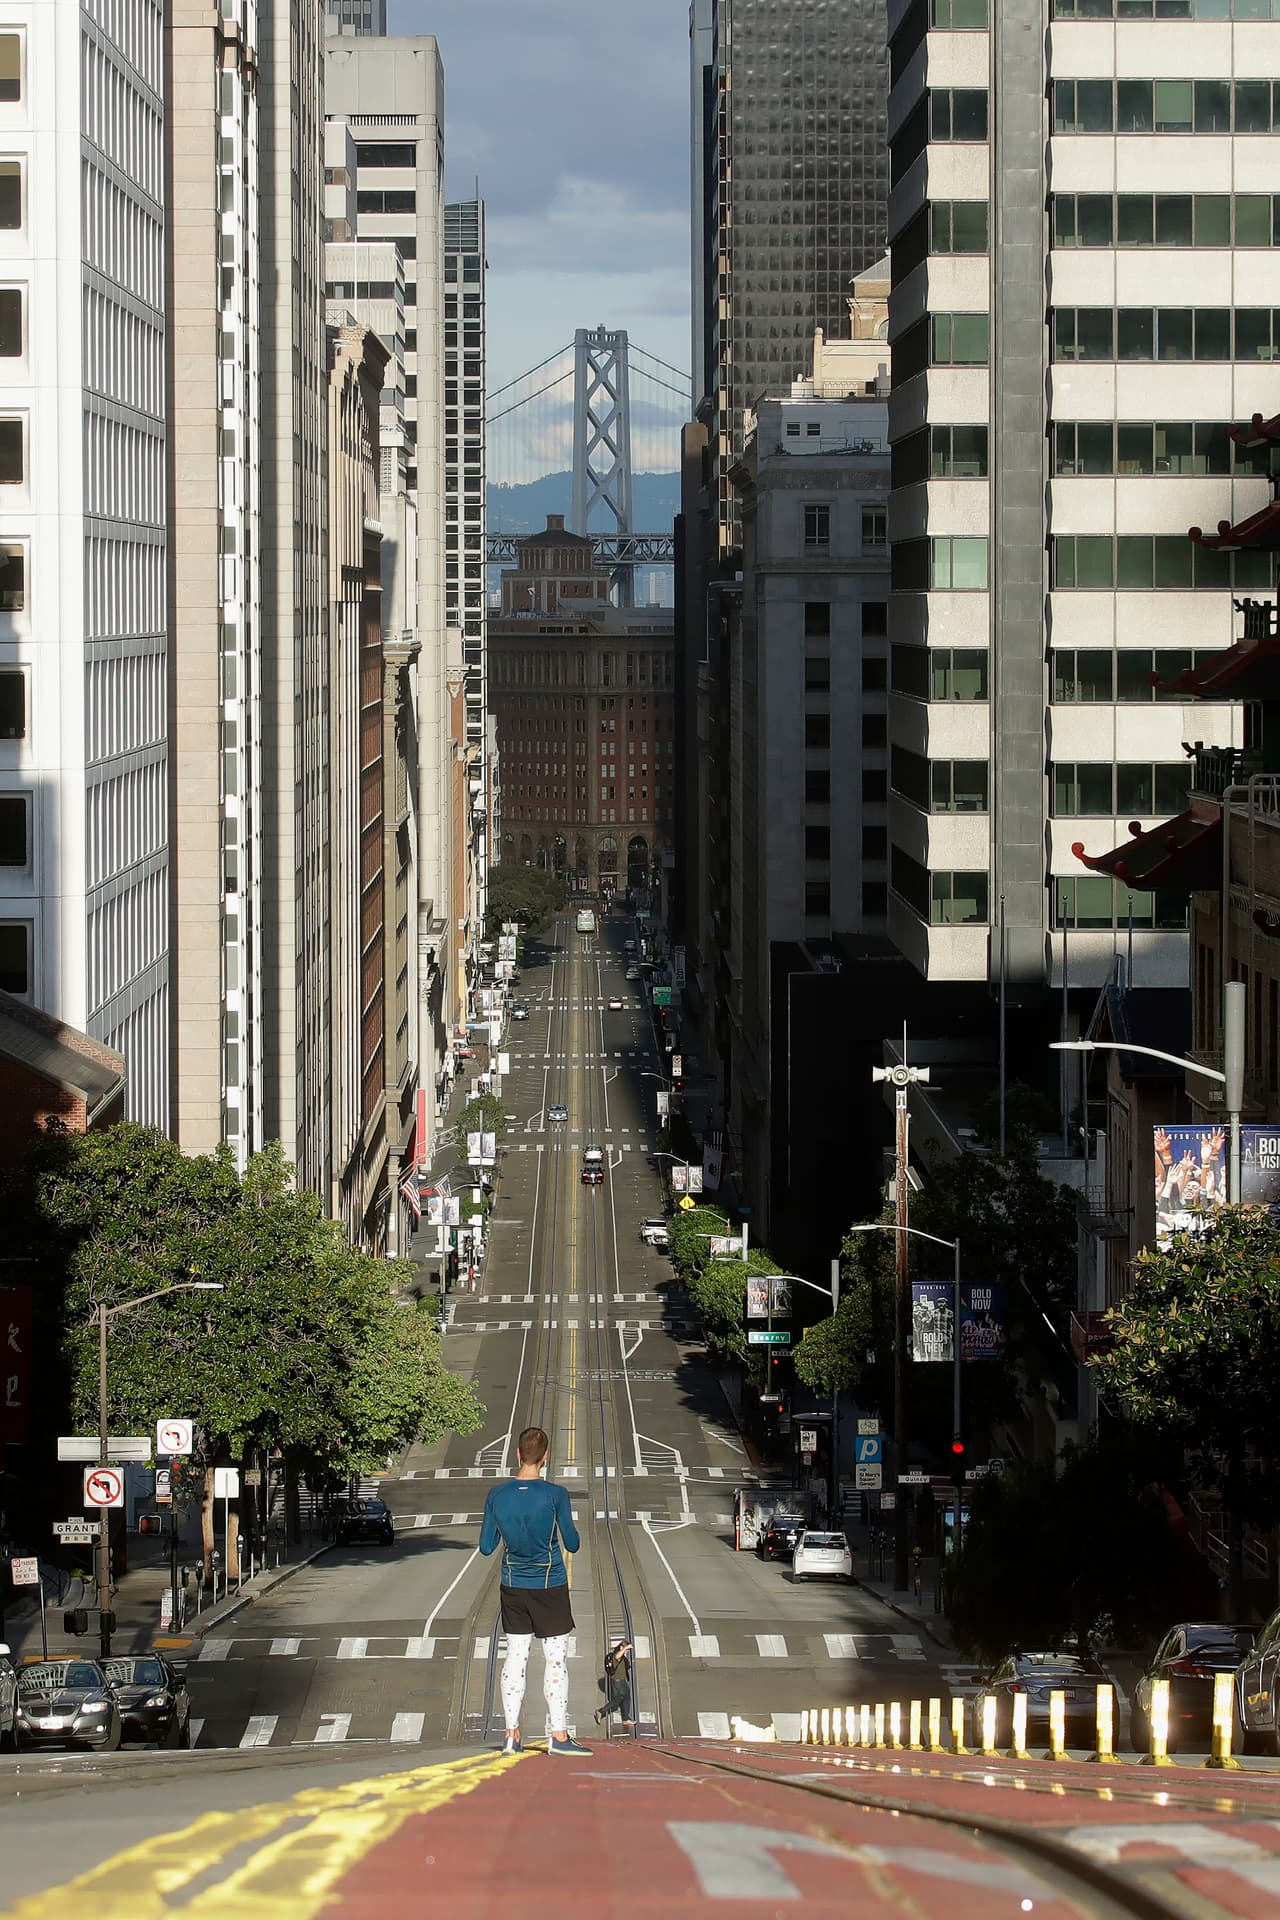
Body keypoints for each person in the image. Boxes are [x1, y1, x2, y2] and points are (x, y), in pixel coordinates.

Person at [478, 1425, 589, 1756]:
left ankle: (511, 1733)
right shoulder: (555, 1495)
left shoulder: (497, 1496)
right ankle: (559, 1735)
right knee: (555, 1660)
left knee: (515, 1657)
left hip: (512, 1586)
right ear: (545, 1457)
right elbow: (572, 1542)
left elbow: (486, 1547)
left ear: (517, 1455)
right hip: (549, 1584)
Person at [594, 1638, 634, 1730]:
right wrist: (625, 1648)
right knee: (626, 1696)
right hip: (619, 1681)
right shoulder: (617, 1656)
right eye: (627, 1650)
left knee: (617, 1700)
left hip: (616, 1681)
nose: (627, 1652)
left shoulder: (621, 1657)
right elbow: (617, 1656)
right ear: (621, 1648)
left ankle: (600, 1712)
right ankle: (625, 1719)